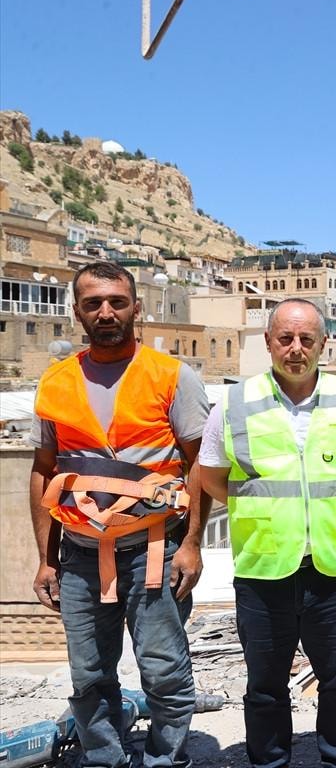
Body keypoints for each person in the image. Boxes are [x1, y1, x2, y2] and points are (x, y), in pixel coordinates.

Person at [29, 261, 211, 768]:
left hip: (154, 550)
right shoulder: (55, 381)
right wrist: (47, 559)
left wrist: (192, 544)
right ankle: (104, 759)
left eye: (117, 301)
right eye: (93, 303)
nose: (106, 312)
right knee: (88, 675)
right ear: (77, 312)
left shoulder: (172, 376)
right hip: (81, 555)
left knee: (164, 671)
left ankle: (165, 759)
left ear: (136, 307)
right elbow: (44, 470)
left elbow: (200, 464)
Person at [196, 297, 336, 768]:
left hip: (332, 569)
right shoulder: (234, 403)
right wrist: (266, 510)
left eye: (306, 339)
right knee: (266, 687)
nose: (296, 348)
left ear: (323, 343)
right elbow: (210, 477)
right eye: (286, 338)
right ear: (269, 342)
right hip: (264, 570)